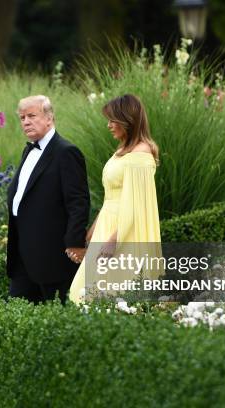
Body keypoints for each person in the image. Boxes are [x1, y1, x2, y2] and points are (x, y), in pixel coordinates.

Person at [69, 94, 162, 305]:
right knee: (86, 291)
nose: (109, 125)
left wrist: (113, 240)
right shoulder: (121, 151)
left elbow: (139, 206)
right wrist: (92, 231)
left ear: (128, 120)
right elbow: (111, 197)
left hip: (124, 232)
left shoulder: (141, 154)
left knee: (107, 293)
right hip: (108, 226)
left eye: (113, 120)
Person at [6, 95, 90, 304]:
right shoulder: (29, 150)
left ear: (49, 117)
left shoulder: (66, 152)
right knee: (18, 312)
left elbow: (78, 202)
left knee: (61, 315)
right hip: (23, 254)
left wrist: (74, 243)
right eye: (22, 117)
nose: (26, 121)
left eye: (32, 115)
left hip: (54, 257)